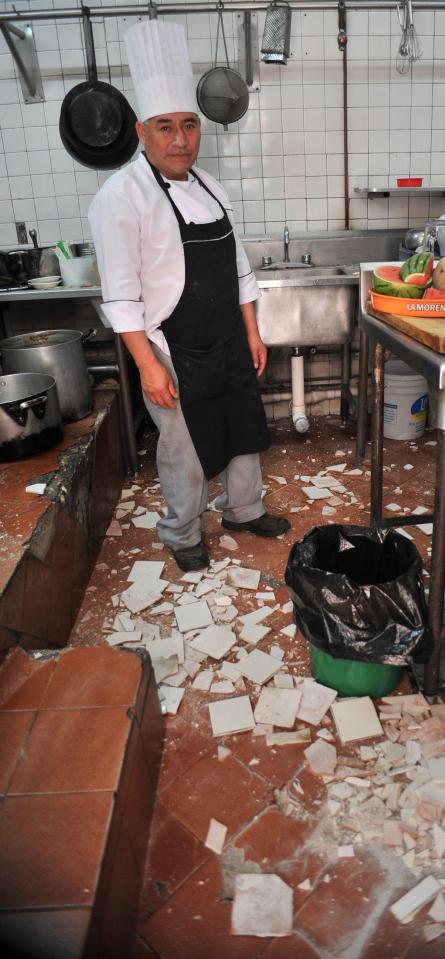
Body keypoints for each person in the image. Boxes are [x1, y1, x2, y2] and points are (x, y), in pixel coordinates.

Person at [89, 19, 289, 571]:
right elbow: (122, 298)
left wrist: (252, 331)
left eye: (189, 126)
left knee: (243, 426)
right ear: (141, 130)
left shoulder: (209, 185)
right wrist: (148, 367)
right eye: (165, 127)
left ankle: (244, 510)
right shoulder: (120, 198)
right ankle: (180, 533)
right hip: (171, 348)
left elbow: (238, 266)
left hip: (226, 336)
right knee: (185, 449)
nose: (180, 140)